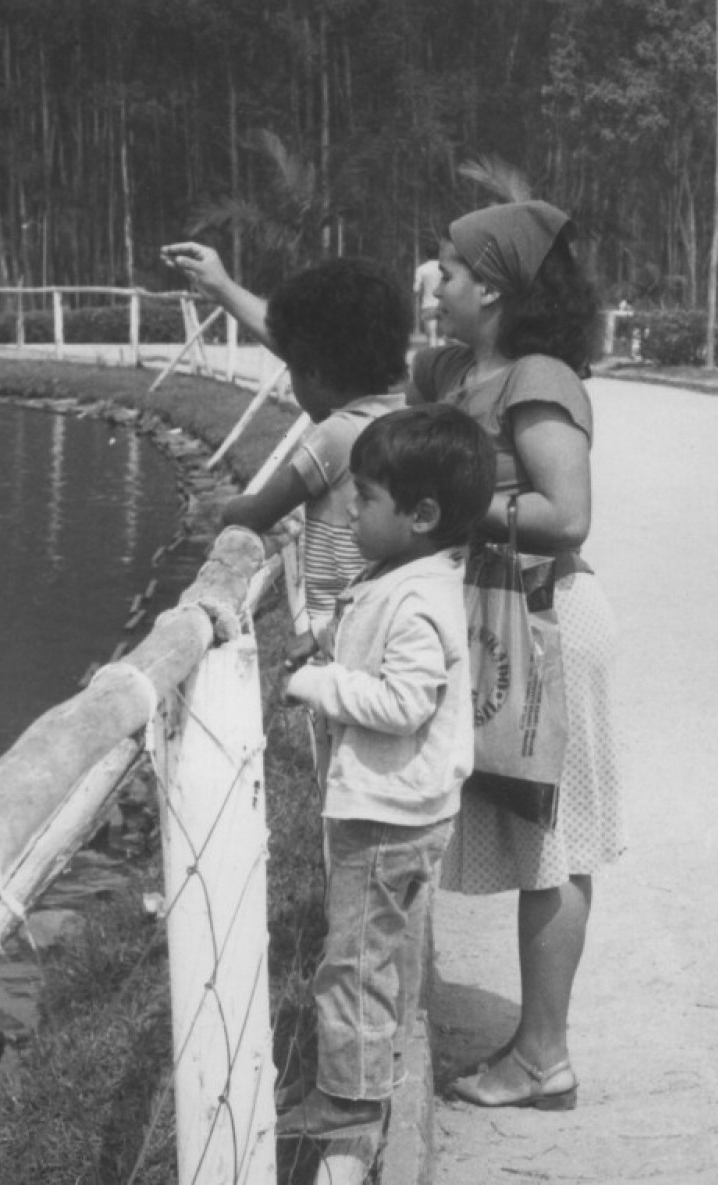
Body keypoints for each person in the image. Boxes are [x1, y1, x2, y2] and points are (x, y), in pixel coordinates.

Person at [413, 199, 622, 1112]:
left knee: (553, 839)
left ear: (492, 286)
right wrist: (224, 289)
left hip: (546, 626)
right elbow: (332, 358)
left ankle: (543, 1057)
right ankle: (538, 1045)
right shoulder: (463, 370)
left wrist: (452, 507)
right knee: (538, 835)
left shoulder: (537, 376)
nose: (438, 282)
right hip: (507, 626)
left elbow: (566, 515)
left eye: (451, 269)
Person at [269, 404, 495, 1138]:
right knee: (375, 946)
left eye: (365, 497)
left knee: (353, 958)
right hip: (399, 804)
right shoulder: (405, 572)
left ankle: (350, 1099)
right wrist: (325, 641)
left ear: (421, 513)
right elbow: (366, 637)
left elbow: (402, 701)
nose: (349, 507)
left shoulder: (419, 597)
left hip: (387, 813)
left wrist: (314, 683)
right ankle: (370, 1064)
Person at [160, 247, 409, 647]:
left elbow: (258, 512)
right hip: (385, 626)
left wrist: (227, 509)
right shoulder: (409, 414)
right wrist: (222, 287)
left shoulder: (337, 436)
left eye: (291, 365)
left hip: (338, 638)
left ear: (313, 372)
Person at [414, 257, 444, 346]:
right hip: (443, 304)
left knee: (431, 336)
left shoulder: (421, 269)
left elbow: (416, 289)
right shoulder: (443, 268)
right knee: (441, 337)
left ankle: (434, 358)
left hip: (428, 305)